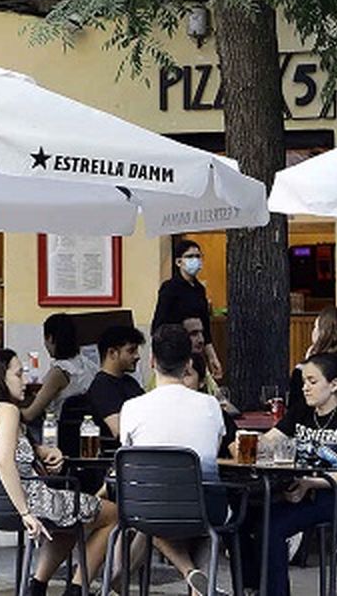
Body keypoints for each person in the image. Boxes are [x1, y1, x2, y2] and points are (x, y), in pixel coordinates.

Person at [0, 348, 119, 596]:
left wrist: (41, 450)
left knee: (67, 522)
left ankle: (37, 587)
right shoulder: (7, 410)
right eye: (18, 374)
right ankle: (76, 589)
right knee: (113, 514)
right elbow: (3, 461)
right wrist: (25, 512)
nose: (25, 381)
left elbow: (3, 448)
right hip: (29, 503)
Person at [240, 354, 337, 596]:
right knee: (244, 517)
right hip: (301, 490)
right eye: (303, 382)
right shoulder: (302, 411)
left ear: (334, 384)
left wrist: (310, 483)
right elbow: (270, 440)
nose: (305, 388)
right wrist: (245, 441)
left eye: (312, 381)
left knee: (271, 527)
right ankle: (252, 588)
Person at [120, 324, 228, 596]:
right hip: (203, 507)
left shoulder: (131, 408)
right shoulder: (211, 406)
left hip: (145, 506)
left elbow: (130, 456)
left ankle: (188, 573)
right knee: (200, 515)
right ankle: (199, 581)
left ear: (152, 361)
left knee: (152, 510)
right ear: (189, 362)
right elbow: (212, 451)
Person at [153, 238, 223, 381]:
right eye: (190, 256)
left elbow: (206, 326)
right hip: (174, 350)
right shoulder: (170, 288)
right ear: (179, 262)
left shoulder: (199, 289)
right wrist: (156, 354)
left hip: (196, 350)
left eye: (198, 256)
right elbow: (158, 324)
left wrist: (212, 356)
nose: (195, 260)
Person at [21, 313, 93, 424]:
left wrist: (9, 411)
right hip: (82, 425)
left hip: (55, 427)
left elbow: (29, 415)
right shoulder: (86, 363)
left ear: (50, 338)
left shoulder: (59, 372)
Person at [85, 325, 145, 440]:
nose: (137, 356)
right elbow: (119, 431)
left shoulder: (130, 382)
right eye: (131, 351)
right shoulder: (102, 387)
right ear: (112, 353)